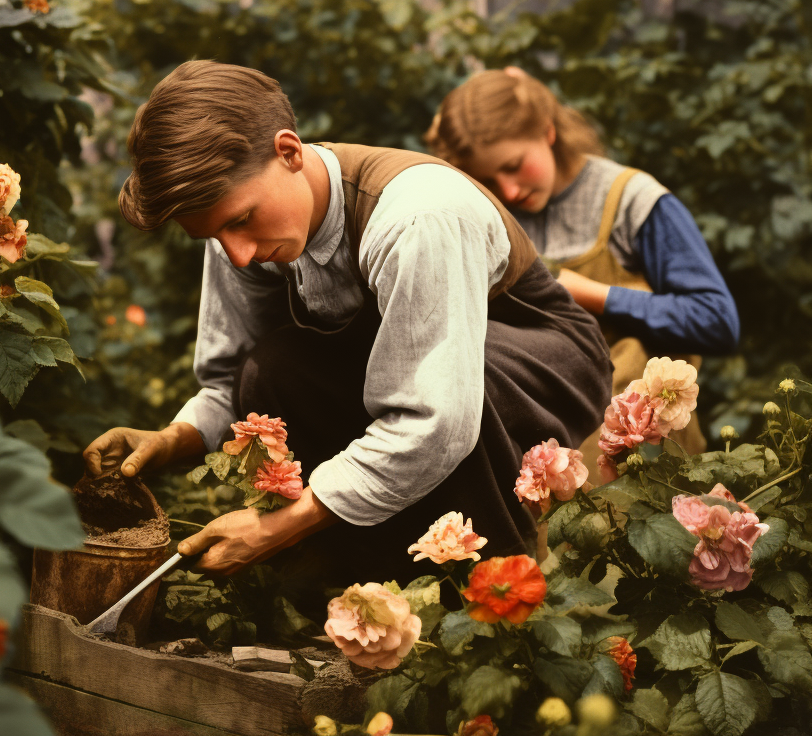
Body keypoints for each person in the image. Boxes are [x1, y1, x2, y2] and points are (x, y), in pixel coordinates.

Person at [84, 61, 612, 584]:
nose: (238, 255)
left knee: (452, 382)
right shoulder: (237, 230)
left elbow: (438, 420)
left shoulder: (415, 217)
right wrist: (176, 437)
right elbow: (231, 377)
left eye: (241, 221)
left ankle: (496, 591)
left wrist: (281, 526)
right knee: (272, 368)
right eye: (215, 236)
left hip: (538, 358)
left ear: (288, 152)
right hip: (418, 373)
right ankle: (364, 569)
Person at [425, 67, 739, 463]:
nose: (509, 190)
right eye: (489, 178)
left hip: (642, 464)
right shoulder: (488, 214)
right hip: (531, 461)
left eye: (514, 164)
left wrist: (592, 294)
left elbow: (716, 320)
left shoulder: (631, 201)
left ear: (547, 131)